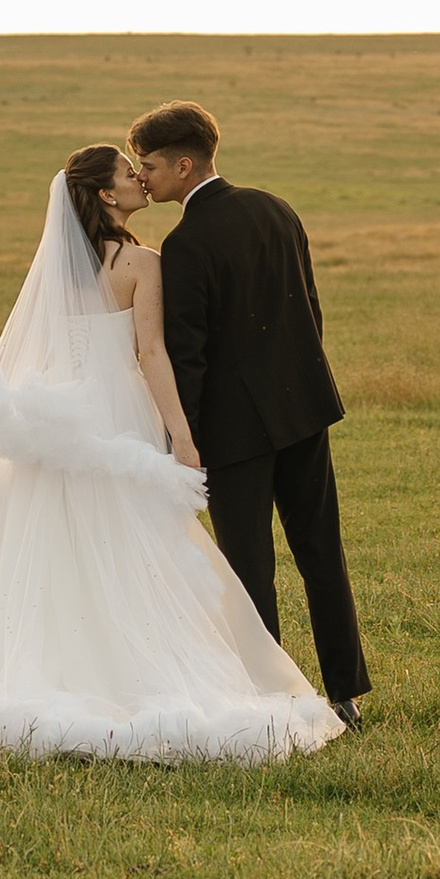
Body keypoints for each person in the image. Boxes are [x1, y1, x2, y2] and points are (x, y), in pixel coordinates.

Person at [0, 144, 341, 763]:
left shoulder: (60, 268)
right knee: (132, 544)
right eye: (127, 175)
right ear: (106, 195)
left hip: (66, 419)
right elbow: (153, 355)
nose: (140, 180)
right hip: (118, 418)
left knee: (53, 547)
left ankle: (43, 674)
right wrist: (183, 437)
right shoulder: (141, 262)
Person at [131, 102, 369, 730]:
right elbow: (309, 311)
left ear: (185, 166)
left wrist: (182, 437)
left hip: (234, 435)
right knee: (322, 553)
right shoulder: (276, 208)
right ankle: (344, 692)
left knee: (248, 569)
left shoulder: (185, 243)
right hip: (304, 413)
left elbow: (189, 354)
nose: (142, 176)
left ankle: (269, 702)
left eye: (150, 166)